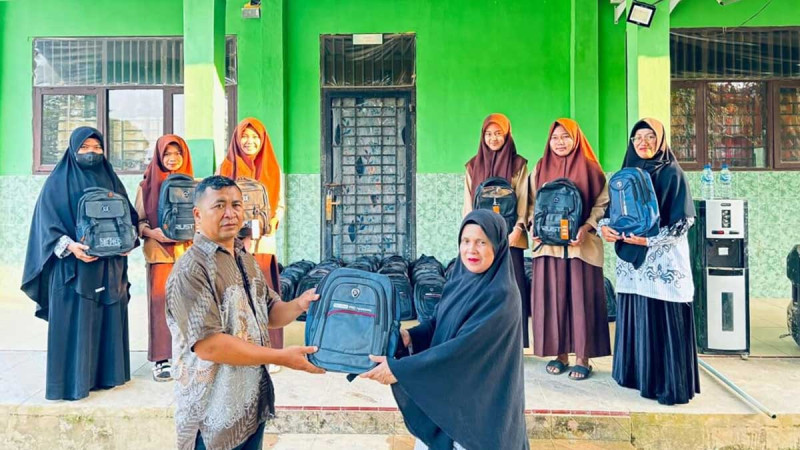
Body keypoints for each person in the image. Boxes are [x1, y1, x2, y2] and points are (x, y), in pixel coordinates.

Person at [166, 175, 324, 450]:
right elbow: (210, 346)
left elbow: (270, 312)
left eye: (237, 204)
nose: (231, 213)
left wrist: (300, 305)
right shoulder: (191, 269)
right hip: (212, 420)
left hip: (250, 408)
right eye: (219, 206)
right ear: (197, 214)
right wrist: (281, 357)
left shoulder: (244, 258)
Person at [361, 210, 528, 450]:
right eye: (466, 241)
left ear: (498, 246)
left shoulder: (501, 295)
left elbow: (463, 351)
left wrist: (400, 369)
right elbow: (439, 321)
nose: (472, 250)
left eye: (482, 242)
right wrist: (411, 336)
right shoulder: (460, 280)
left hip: (479, 411)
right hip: (450, 400)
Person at [21, 127, 137, 401]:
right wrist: (71, 247)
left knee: (107, 318)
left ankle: (108, 377)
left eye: (97, 147)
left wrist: (127, 243)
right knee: (76, 322)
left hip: (109, 267)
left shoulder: (111, 181)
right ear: (73, 150)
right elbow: (46, 224)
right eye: (85, 147)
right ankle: (71, 384)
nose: (92, 153)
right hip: (73, 269)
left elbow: (128, 216)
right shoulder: (58, 182)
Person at [599, 118, 699, 405]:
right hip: (632, 265)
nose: (643, 143)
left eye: (650, 137)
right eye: (638, 138)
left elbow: (683, 224)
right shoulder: (624, 175)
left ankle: (669, 386)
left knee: (663, 318)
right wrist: (604, 228)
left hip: (663, 264)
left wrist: (647, 241)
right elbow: (611, 213)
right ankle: (635, 376)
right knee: (638, 315)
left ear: (661, 140)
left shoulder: (672, 174)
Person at [528, 118, 610, 380]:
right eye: (555, 138)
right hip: (548, 247)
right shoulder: (540, 168)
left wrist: (586, 227)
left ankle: (583, 358)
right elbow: (530, 204)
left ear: (576, 139)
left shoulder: (590, 168)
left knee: (581, 300)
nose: (560, 143)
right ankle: (560, 354)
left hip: (580, 247)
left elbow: (603, 203)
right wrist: (532, 225)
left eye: (565, 137)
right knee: (554, 300)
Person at [218, 118, 285, 366]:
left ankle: (270, 353)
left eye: (255, 137)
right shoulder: (226, 168)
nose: (249, 142)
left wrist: (271, 223)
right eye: (245, 137)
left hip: (263, 245)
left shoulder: (272, 168)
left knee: (265, 296)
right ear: (237, 139)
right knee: (237, 299)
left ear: (262, 140)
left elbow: (279, 205)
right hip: (232, 248)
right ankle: (241, 351)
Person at [463, 113, 531, 347]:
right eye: (488, 134)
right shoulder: (472, 165)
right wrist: (467, 238)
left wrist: (518, 229)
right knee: (481, 290)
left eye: (498, 133)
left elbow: (523, 198)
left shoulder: (518, 164)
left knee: (511, 291)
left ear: (507, 135)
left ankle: (513, 342)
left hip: (511, 238)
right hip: (481, 241)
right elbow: (468, 204)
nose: (493, 138)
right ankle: (482, 341)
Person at [134, 134, 194, 382]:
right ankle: (161, 359)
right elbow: (138, 222)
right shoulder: (145, 186)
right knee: (160, 306)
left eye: (177, 153)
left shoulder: (194, 185)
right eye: (167, 154)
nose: (172, 158)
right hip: (160, 254)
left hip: (189, 254)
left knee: (190, 305)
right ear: (159, 156)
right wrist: (152, 232)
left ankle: (189, 355)